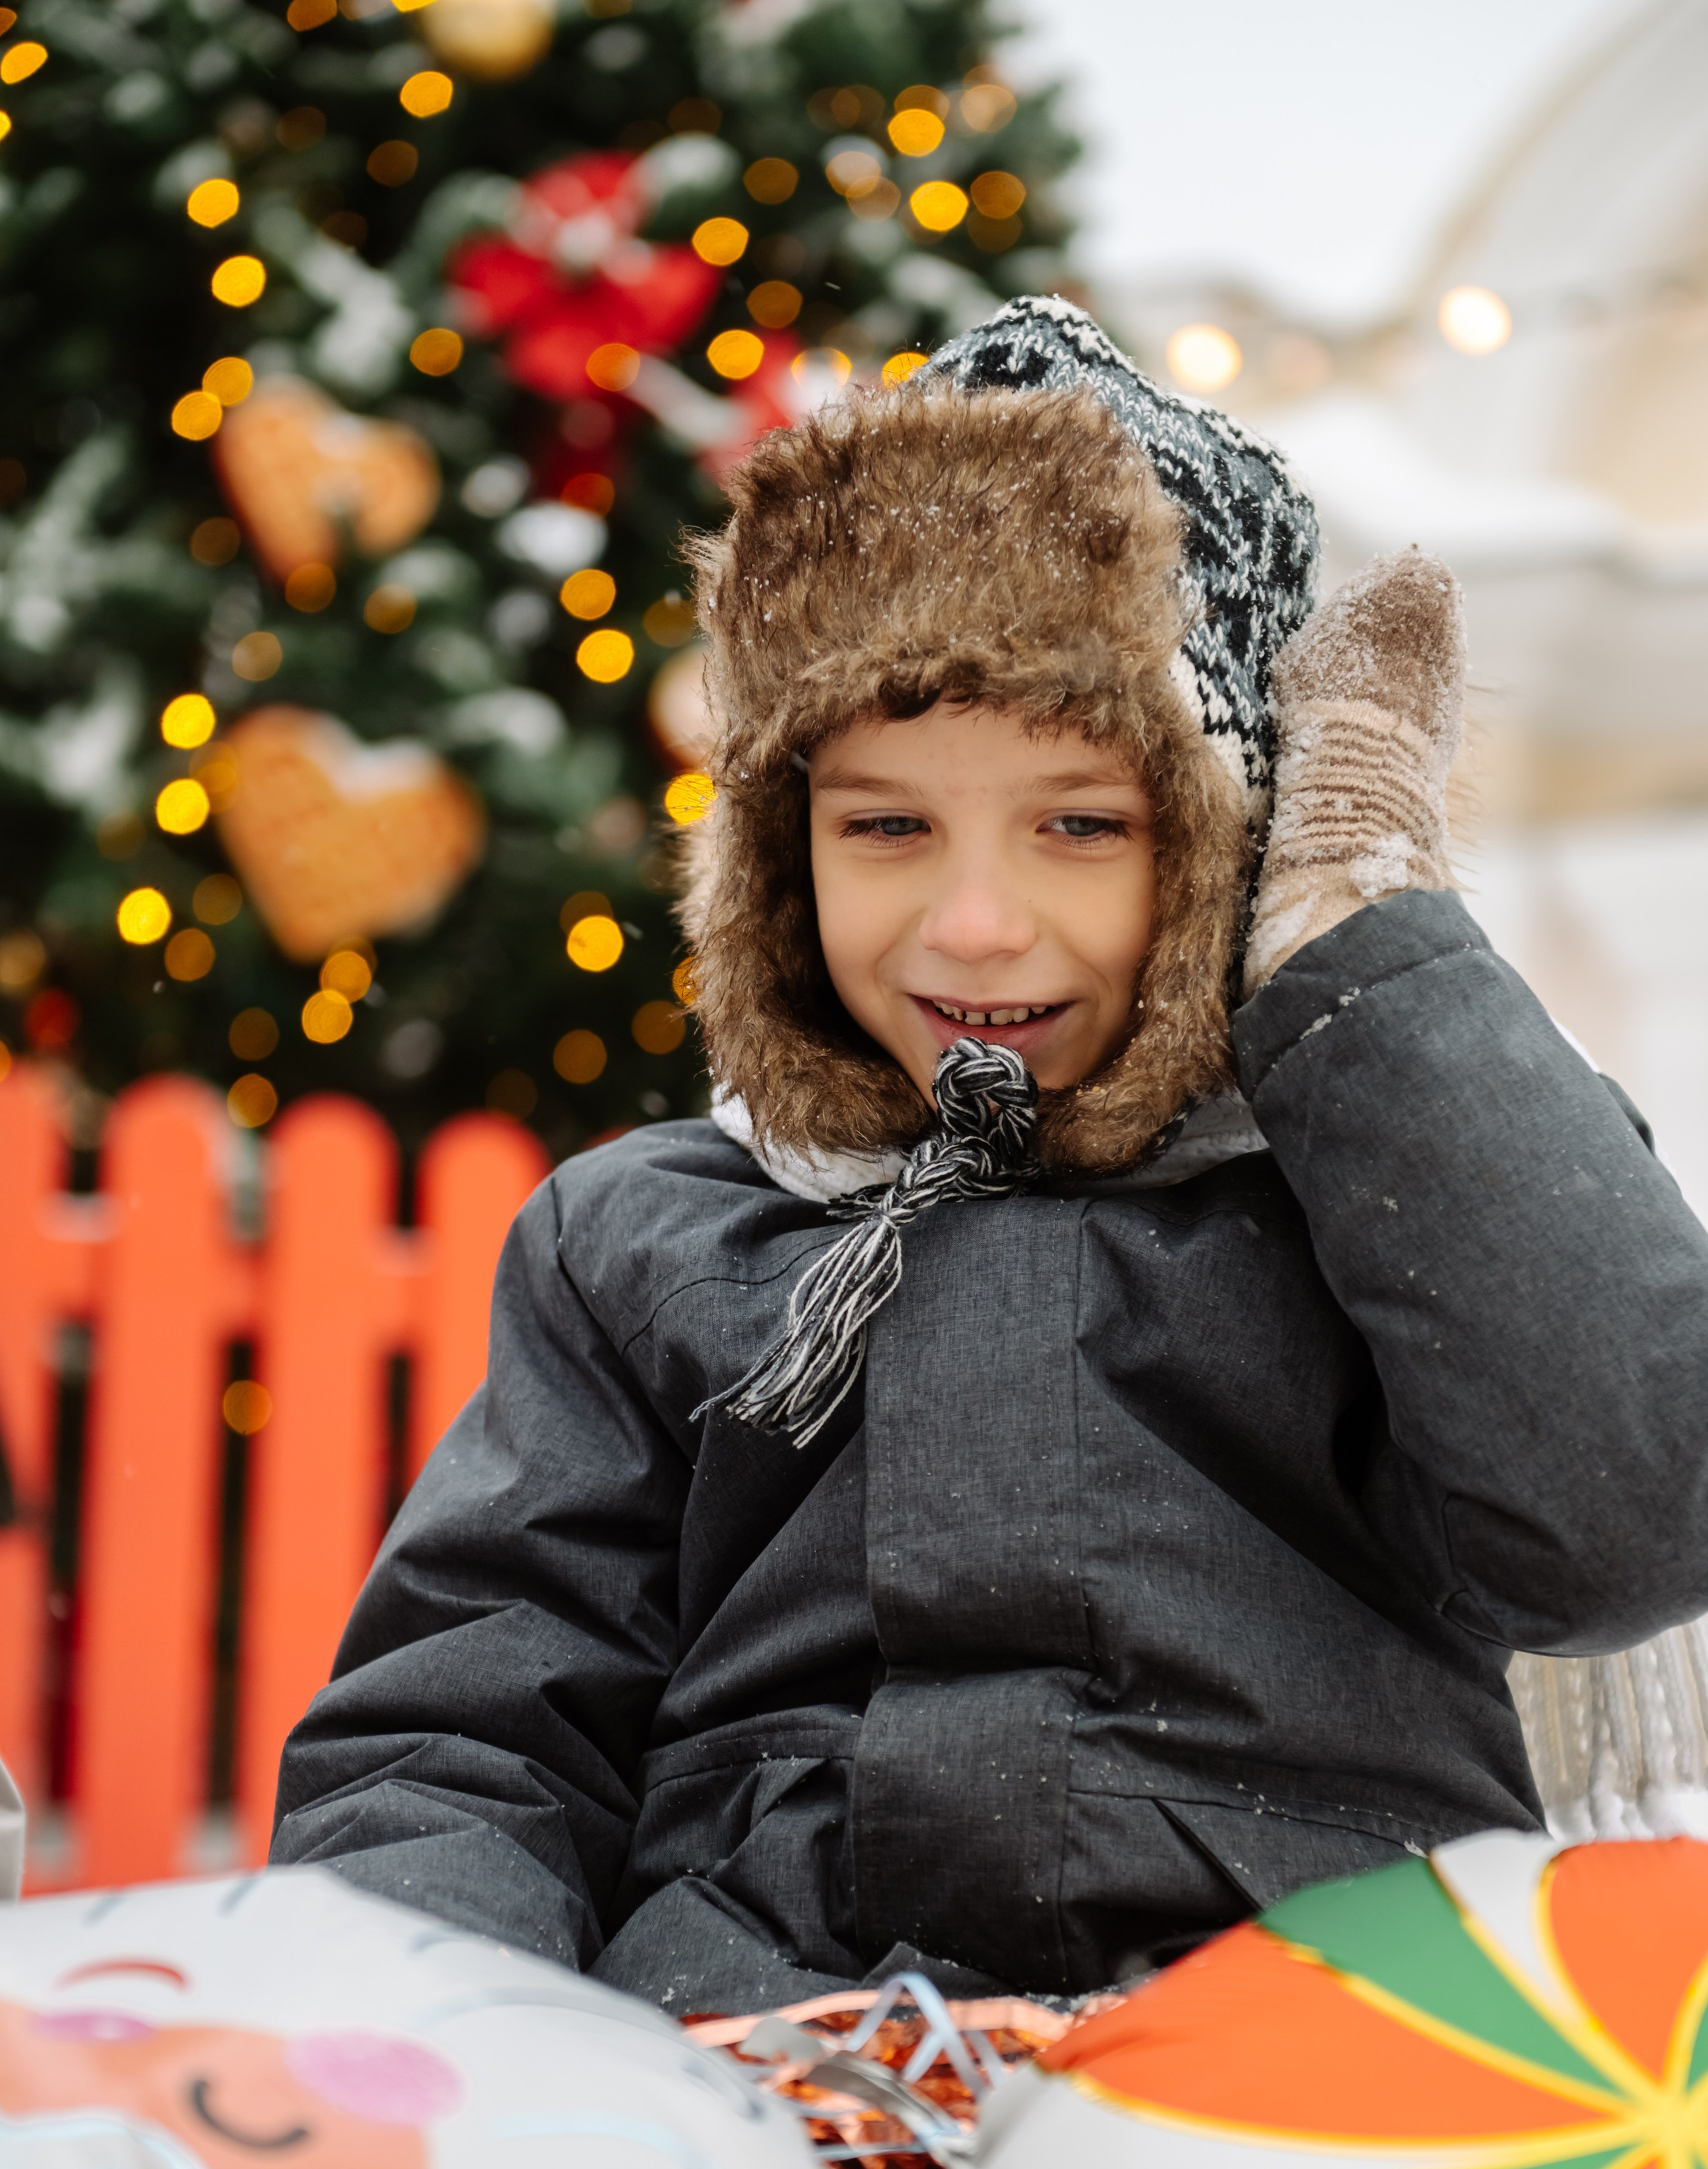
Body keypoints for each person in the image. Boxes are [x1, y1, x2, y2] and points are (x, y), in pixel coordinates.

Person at [270, 298, 1708, 2015]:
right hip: (776, 2037)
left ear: (1227, 847)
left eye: (1079, 824)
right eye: (885, 824)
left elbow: (1629, 1513)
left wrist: (1355, 942)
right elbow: (469, 1730)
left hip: (1309, 2044)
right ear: (782, 852)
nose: (970, 921)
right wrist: (442, 2041)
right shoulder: (657, 1236)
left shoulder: (1380, 1184)